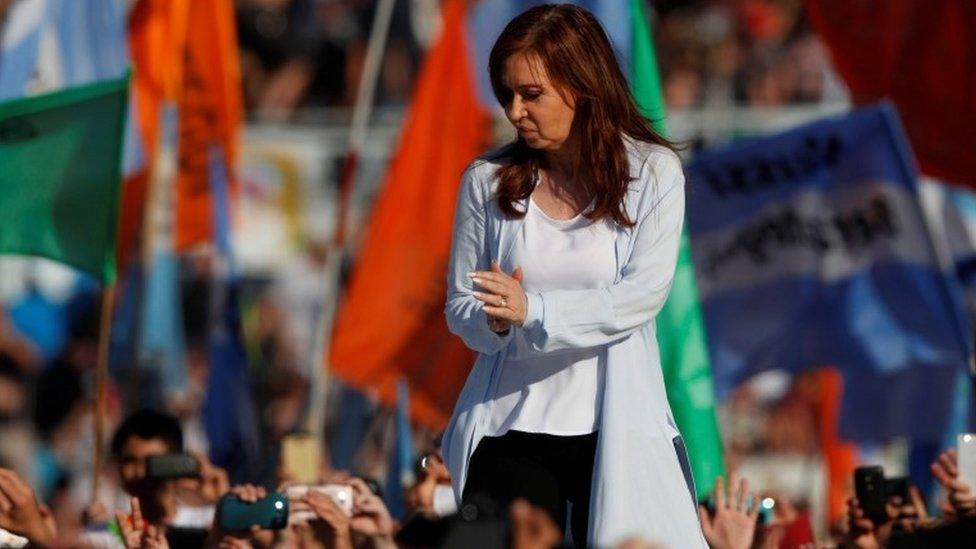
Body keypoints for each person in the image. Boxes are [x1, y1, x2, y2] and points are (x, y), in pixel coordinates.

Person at [441, 4, 705, 547]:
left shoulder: (654, 173)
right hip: (509, 428)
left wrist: (533, 311)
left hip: (618, 429)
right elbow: (460, 308)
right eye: (506, 93)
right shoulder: (485, 182)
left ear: (582, 88)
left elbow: (640, 298)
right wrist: (492, 321)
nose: (515, 110)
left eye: (531, 94)